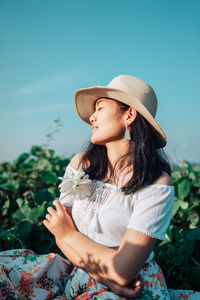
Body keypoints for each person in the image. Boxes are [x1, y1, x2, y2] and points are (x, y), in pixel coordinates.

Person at [0, 75, 199, 299]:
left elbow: (123, 272)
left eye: (100, 108)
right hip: (80, 272)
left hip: (134, 287)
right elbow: (60, 238)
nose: (92, 117)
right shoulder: (81, 163)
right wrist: (106, 279)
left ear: (129, 115)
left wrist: (70, 234)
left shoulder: (157, 185)